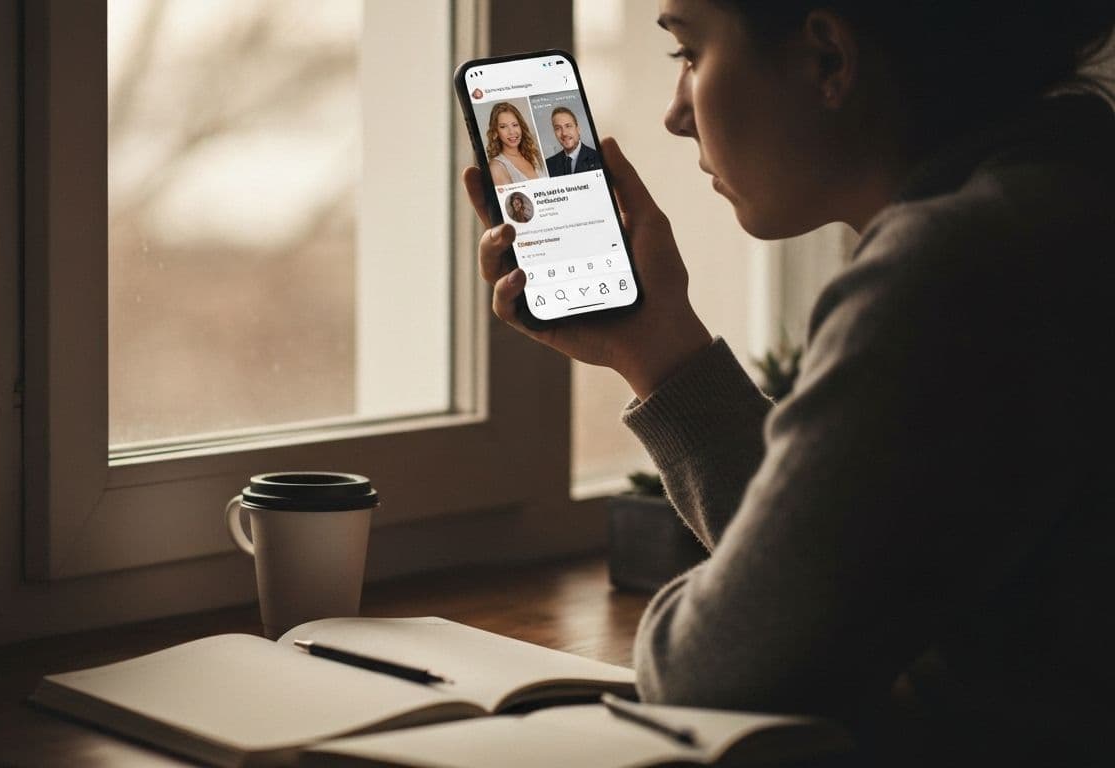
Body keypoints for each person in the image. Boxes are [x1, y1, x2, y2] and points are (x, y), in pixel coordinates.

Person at [462, 2, 1115, 766]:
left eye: (688, 53)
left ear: (827, 60)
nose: (675, 114)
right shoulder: (1066, 196)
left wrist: (726, 610)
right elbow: (832, 572)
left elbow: (719, 663)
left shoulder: (958, 266)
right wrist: (655, 348)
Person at [484, 101, 545, 184]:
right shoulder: (496, 167)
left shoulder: (533, 154)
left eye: (515, 125)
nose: (511, 132)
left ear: (521, 126)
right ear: (496, 131)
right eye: (503, 127)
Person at [544, 106, 602, 176]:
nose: (564, 133)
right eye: (558, 128)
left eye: (568, 126)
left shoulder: (599, 158)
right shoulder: (548, 165)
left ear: (578, 129)